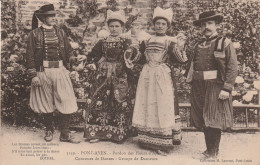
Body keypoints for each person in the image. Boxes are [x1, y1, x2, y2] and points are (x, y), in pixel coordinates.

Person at [132, 7, 188, 156]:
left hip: (162, 76)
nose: (160, 26)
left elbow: (181, 60)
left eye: (163, 24)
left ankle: (163, 142)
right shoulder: (147, 40)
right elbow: (139, 59)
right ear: (153, 25)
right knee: (147, 103)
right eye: (158, 23)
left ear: (168, 26)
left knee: (162, 104)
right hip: (147, 75)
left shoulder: (170, 42)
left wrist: (180, 47)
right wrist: (133, 51)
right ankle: (146, 140)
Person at [25, 4, 84, 143]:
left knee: (66, 99)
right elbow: (29, 56)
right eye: (49, 16)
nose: (53, 18)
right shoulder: (34, 34)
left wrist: (74, 59)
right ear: (43, 18)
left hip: (60, 70)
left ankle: (65, 134)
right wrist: (33, 75)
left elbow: (68, 51)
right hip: (43, 71)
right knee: (46, 102)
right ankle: (49, 130)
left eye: (53, 15)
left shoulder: (60, 32)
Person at [185, 11, 238, 159]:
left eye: (209, 23)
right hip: (199, 86)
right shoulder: (198, 44)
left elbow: (232, 67)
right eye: (203, 24)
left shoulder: (225, 43)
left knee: (214, 119)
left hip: (215, 86)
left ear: (216, 25)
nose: (206, 27)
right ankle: (209, 150)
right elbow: (192, 65)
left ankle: (213, 153)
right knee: (203, 119)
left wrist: (227, 88)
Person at [83, 10, 137, 143]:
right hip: (103, 75)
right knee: (99, 99)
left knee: (119, 101)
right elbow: (93, 55)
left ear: (122, 27)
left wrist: (130, 58)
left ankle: (119, 133)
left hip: (119, 75)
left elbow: (133, 56)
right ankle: (97, 133)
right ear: (108, 27)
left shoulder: (126, 41)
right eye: (111, 26)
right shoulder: (103, 41)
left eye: (117, 26)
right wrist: (92, 64)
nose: (114, 29)